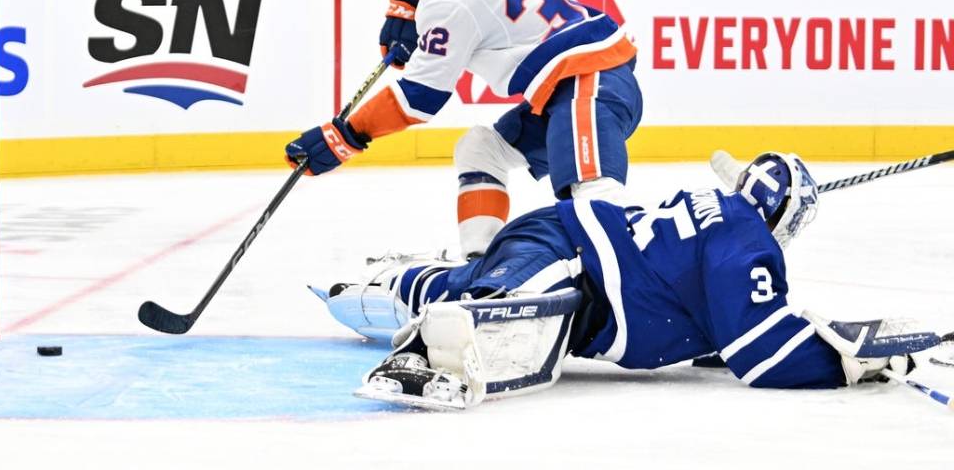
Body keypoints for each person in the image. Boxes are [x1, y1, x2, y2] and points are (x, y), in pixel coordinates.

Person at [316, 152, 930, 409]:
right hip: (573, 254)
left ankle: (387, 281)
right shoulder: (746, 241)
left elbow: (727, 329)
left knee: (466, 287)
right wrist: (845, 364)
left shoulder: (722, 214)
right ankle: (418, 358)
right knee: (499, 308)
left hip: (573, 260)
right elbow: (762, 356)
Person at [285, 0, 642, 260]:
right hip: (574, 83)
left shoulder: (448, 2)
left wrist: (349, 134)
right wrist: (420, 7)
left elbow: (419, 99)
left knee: (594, 197)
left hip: (587, 82)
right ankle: (482, 261)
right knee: (480, 150)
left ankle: (637, 282)